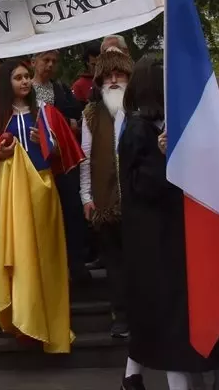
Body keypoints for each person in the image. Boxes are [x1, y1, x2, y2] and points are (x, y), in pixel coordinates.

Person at [117, 55, 219, 390]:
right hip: (159, 244)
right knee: (173, 329)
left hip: (192, 237)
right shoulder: (137, 128)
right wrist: (165, 159)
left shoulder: (185, 121)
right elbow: (139, 188)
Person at [0, 59, 83, 354]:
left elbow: (64, 155)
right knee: (17, 256)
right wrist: (0, 152)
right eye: (18, 77)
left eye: (26, 77)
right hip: (8, 193)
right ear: (7, 82)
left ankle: (48, 323)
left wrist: (51, 143)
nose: (24, 82)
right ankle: (22, 321)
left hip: (42, 192)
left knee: (45, 257)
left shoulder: (47, 114)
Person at [79, 47, 133, 338]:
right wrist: (86, 197)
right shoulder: (91, 114)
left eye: (119, 75)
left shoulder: (141, 111)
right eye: (108, 76)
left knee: (140, 261)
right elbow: (85, 158)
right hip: (105, 200)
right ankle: (121, 316)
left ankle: (145, 316)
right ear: (99, 82)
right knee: (114, 265)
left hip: (139, 199)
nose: (113, 81)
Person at [30, 49, 89, 279]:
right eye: (46, 60)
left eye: (54, 61)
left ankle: (76, 264)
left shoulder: (62, 89)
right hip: (35, 161)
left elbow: (77, 116)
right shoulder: (25, 90)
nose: (50, 65)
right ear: (34, 62)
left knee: (70, 209)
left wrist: (67, 123)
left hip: (62, 160)